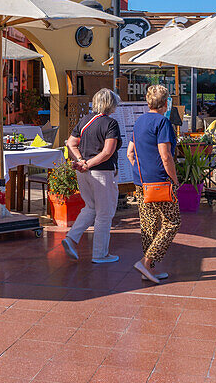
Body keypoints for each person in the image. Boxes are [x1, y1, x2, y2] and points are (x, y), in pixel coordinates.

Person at [127, 84, 181, 284]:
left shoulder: (139, 121)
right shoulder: (163, 123)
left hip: (140, 182)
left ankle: (147, 269)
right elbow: (165, 156)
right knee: (171, 222)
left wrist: (142, 170)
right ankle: (146, 261)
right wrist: (174, 180)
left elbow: (130, 153)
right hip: (160, 181)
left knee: (149, 225)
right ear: (166, 103)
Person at [63, 88, 122, 264]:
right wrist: (87, 163)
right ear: (111, 104)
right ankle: (100, 254)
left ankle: (71, 238)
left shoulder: (85, 120)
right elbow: (107, 152)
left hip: (84, 172)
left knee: (90, 207)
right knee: (105, 213)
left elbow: (71, 143)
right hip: (102, 172)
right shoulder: (111, 124)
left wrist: (81, 161)